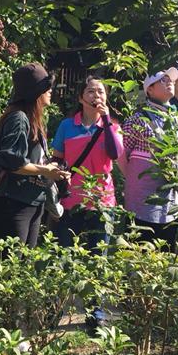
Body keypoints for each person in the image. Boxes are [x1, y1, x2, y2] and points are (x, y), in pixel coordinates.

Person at [0, 62, 70, 247]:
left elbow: (29, 160)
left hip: (32, 201)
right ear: (35, 91)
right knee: (10, 267)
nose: (50, 90)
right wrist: (45, 170)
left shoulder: (33, 119)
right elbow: (11, 162)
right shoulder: (19, 118)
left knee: (23, 268)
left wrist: (52, 169)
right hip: (13, 204)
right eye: (46, 86)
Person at [51, 75, 122, 250]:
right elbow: (57, 159)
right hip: (71, 199)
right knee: (65, 252)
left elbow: (115, 154)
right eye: (90, 91)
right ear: (80, 98)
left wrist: (105, 120)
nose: (96, 96)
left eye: (101, 92)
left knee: (99, 255)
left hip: (102, 200)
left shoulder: (113, 128)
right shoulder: (66, 126)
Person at [122, 67, 178, 251]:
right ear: (149, 89)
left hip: (169, 201)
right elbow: (121, 154)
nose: (169, 82)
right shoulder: (138, 119)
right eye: (163, 80)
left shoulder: (176, 121)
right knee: (138, 252)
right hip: (141, 201)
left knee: (166, 251)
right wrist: (133, 181)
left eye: (170, 79)